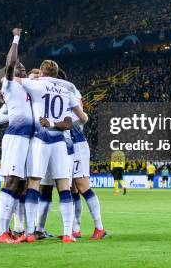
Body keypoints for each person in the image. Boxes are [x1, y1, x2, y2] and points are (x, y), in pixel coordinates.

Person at [10, 39, 89, 243]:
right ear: (56, 74)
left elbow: (12, 78)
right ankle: (68, 233)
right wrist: (56, 124)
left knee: (34, 184)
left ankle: (29, 233)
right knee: (64, 186)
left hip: (40, 140)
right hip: (60, 143)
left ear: (43, 73)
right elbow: (76, 120)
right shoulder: (66, 91)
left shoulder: (36, 85)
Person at [54, 69, 106, 240]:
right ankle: (74, 228)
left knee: (82, 186)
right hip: (65, 144)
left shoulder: (71, 91)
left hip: (77, 143)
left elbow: (82, 118)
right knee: (71, 187)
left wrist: (59, 121)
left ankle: (99, 227)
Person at [0, 29, 34, 244]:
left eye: (24, 68)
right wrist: (16, 39)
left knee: (20, 185)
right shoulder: (8, 84)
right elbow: (10, 64)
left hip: (27, 139)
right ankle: (0, 231)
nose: (23, 69)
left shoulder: (27, 88)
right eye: (20, 68)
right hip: (16, 137)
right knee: (11, 181)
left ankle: (13, 229)